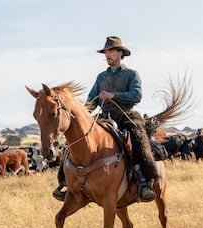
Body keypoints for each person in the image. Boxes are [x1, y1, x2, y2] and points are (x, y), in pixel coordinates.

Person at [53, 36, 157, 202]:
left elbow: (136, 95)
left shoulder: (131, 74)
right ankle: (66, 182)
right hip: (104, 117)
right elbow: (91, 100)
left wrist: (113, 95)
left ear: (120, 53)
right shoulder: (101, 77)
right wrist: (83, 114)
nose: (108, 55)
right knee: (75, 140)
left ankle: (144, 181)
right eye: (106, 52)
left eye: (111, 51)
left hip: (126, 115)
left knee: (138, 138)